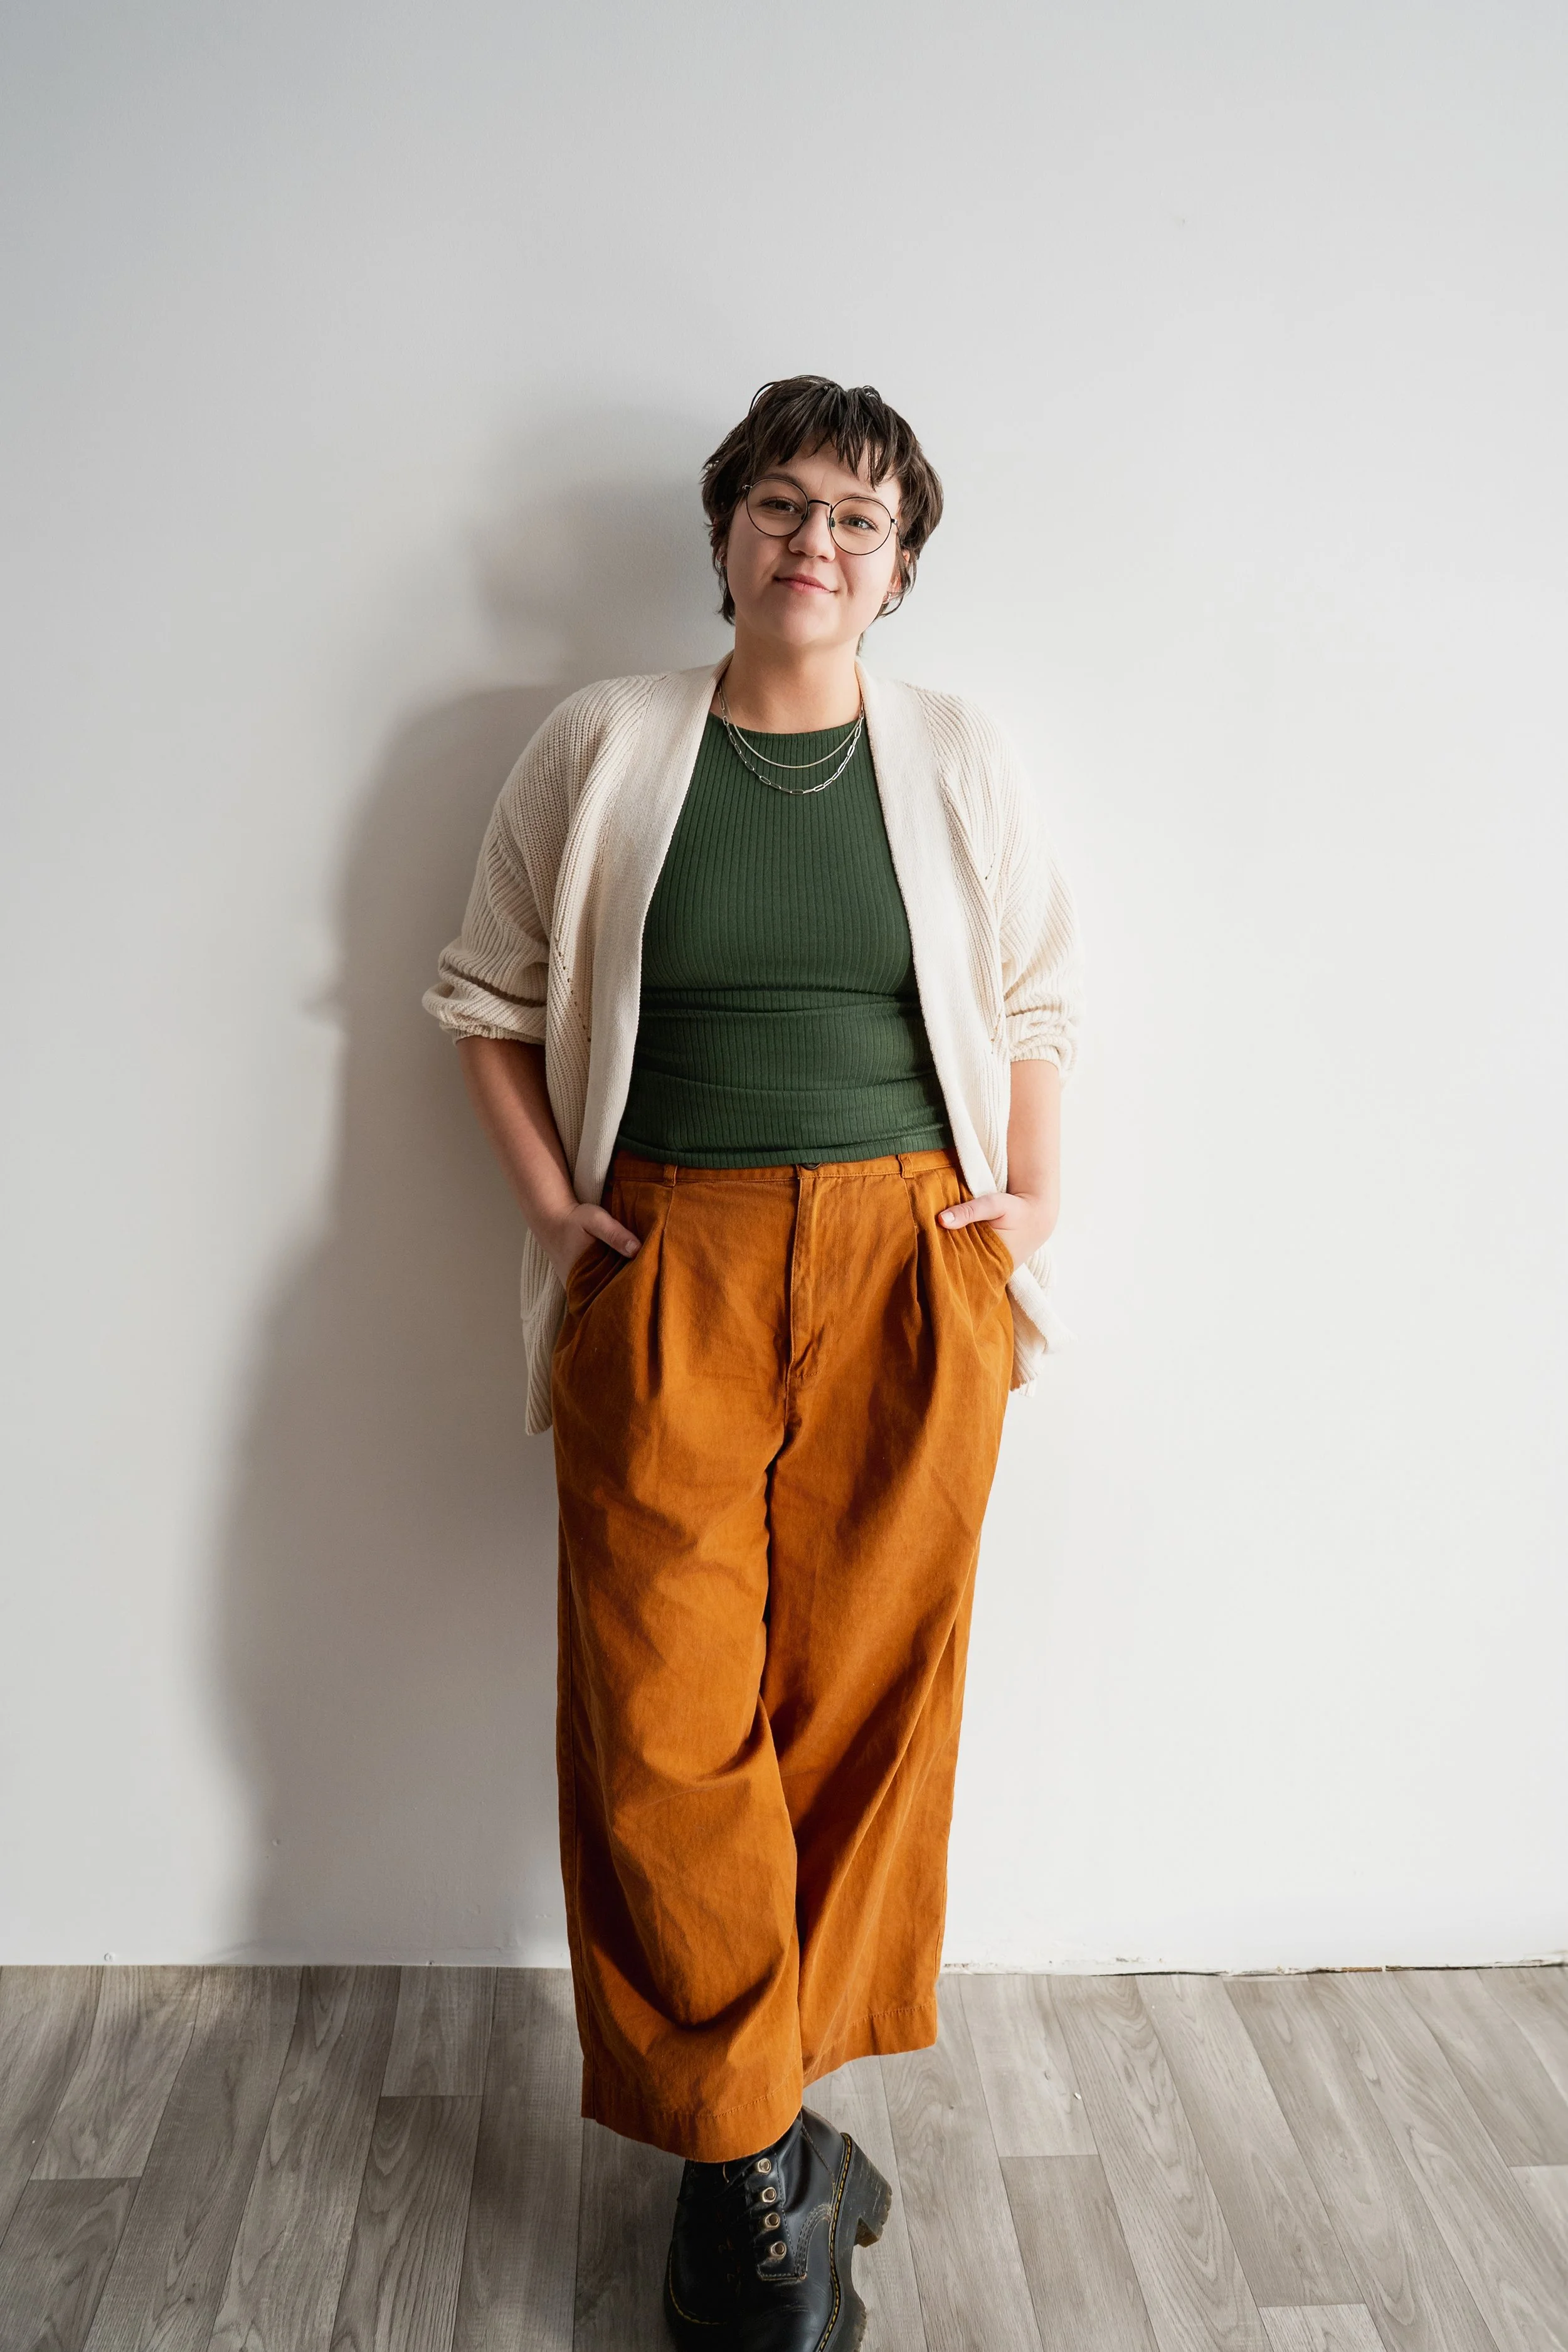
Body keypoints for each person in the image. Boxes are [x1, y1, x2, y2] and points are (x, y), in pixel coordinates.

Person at [422, 376, 1083, 2351]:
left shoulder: (960, 753)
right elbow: (482, 994)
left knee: (862, 1698)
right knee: (662, 1714)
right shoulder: (605, 745)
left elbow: (1036, 987)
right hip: (671, 1249)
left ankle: (772, 2142)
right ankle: (748, 2180)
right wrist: (559, 1217)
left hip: (910, 1253)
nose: (817, 543)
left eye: (860, 522)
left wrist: (1029, 1201)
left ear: (898, 571)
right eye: (783, 506)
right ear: (722, 534)